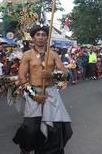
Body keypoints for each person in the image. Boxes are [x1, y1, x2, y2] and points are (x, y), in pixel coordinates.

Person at [13, 24, 72, 154]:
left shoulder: (53, 55)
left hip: (51, 93)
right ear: (33, 38)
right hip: (33, 93)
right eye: (37, 35)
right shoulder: (27, 55)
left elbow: (65, 73)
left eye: (43, 35)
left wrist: (52, 74)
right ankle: (26, 149)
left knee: (57, 128)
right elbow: (22, 78)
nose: (40, 37)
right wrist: (34, 95)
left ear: (47, 38)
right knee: (31, 128)